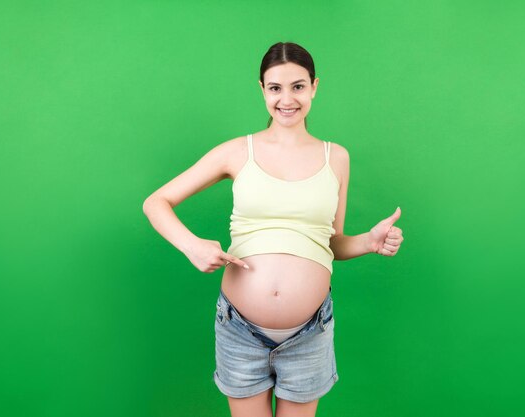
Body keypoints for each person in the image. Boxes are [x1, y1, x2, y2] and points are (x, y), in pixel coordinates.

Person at [142, 41, 404, 417]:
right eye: (275, 88)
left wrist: (368, 241)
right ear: (262, 89)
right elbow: (156, 202)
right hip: (240, 329)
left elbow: (331, 243)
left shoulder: (337, 157)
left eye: (298, 86)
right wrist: (191, 246)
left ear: (315, 86)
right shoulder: (236, 151)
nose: (287, 99)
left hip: (309, 332)